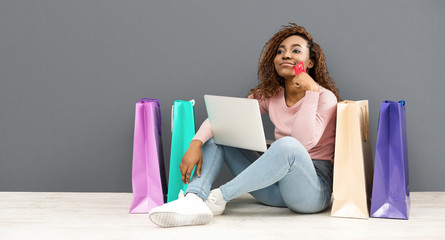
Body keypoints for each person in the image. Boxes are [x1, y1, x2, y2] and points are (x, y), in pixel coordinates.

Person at [148, 23, 340, 227]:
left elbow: (303, 143)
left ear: (309, 62)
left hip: (311, 191)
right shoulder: (272, 96)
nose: (286, 55)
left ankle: (218, 198)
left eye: (295, 50)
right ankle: (194, 199)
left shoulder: (325, 98)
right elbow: (226, 117)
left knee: (288, 145)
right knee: (220, 135)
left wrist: (311, 91)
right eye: (280, 51)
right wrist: (196, 142)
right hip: (274, 190)